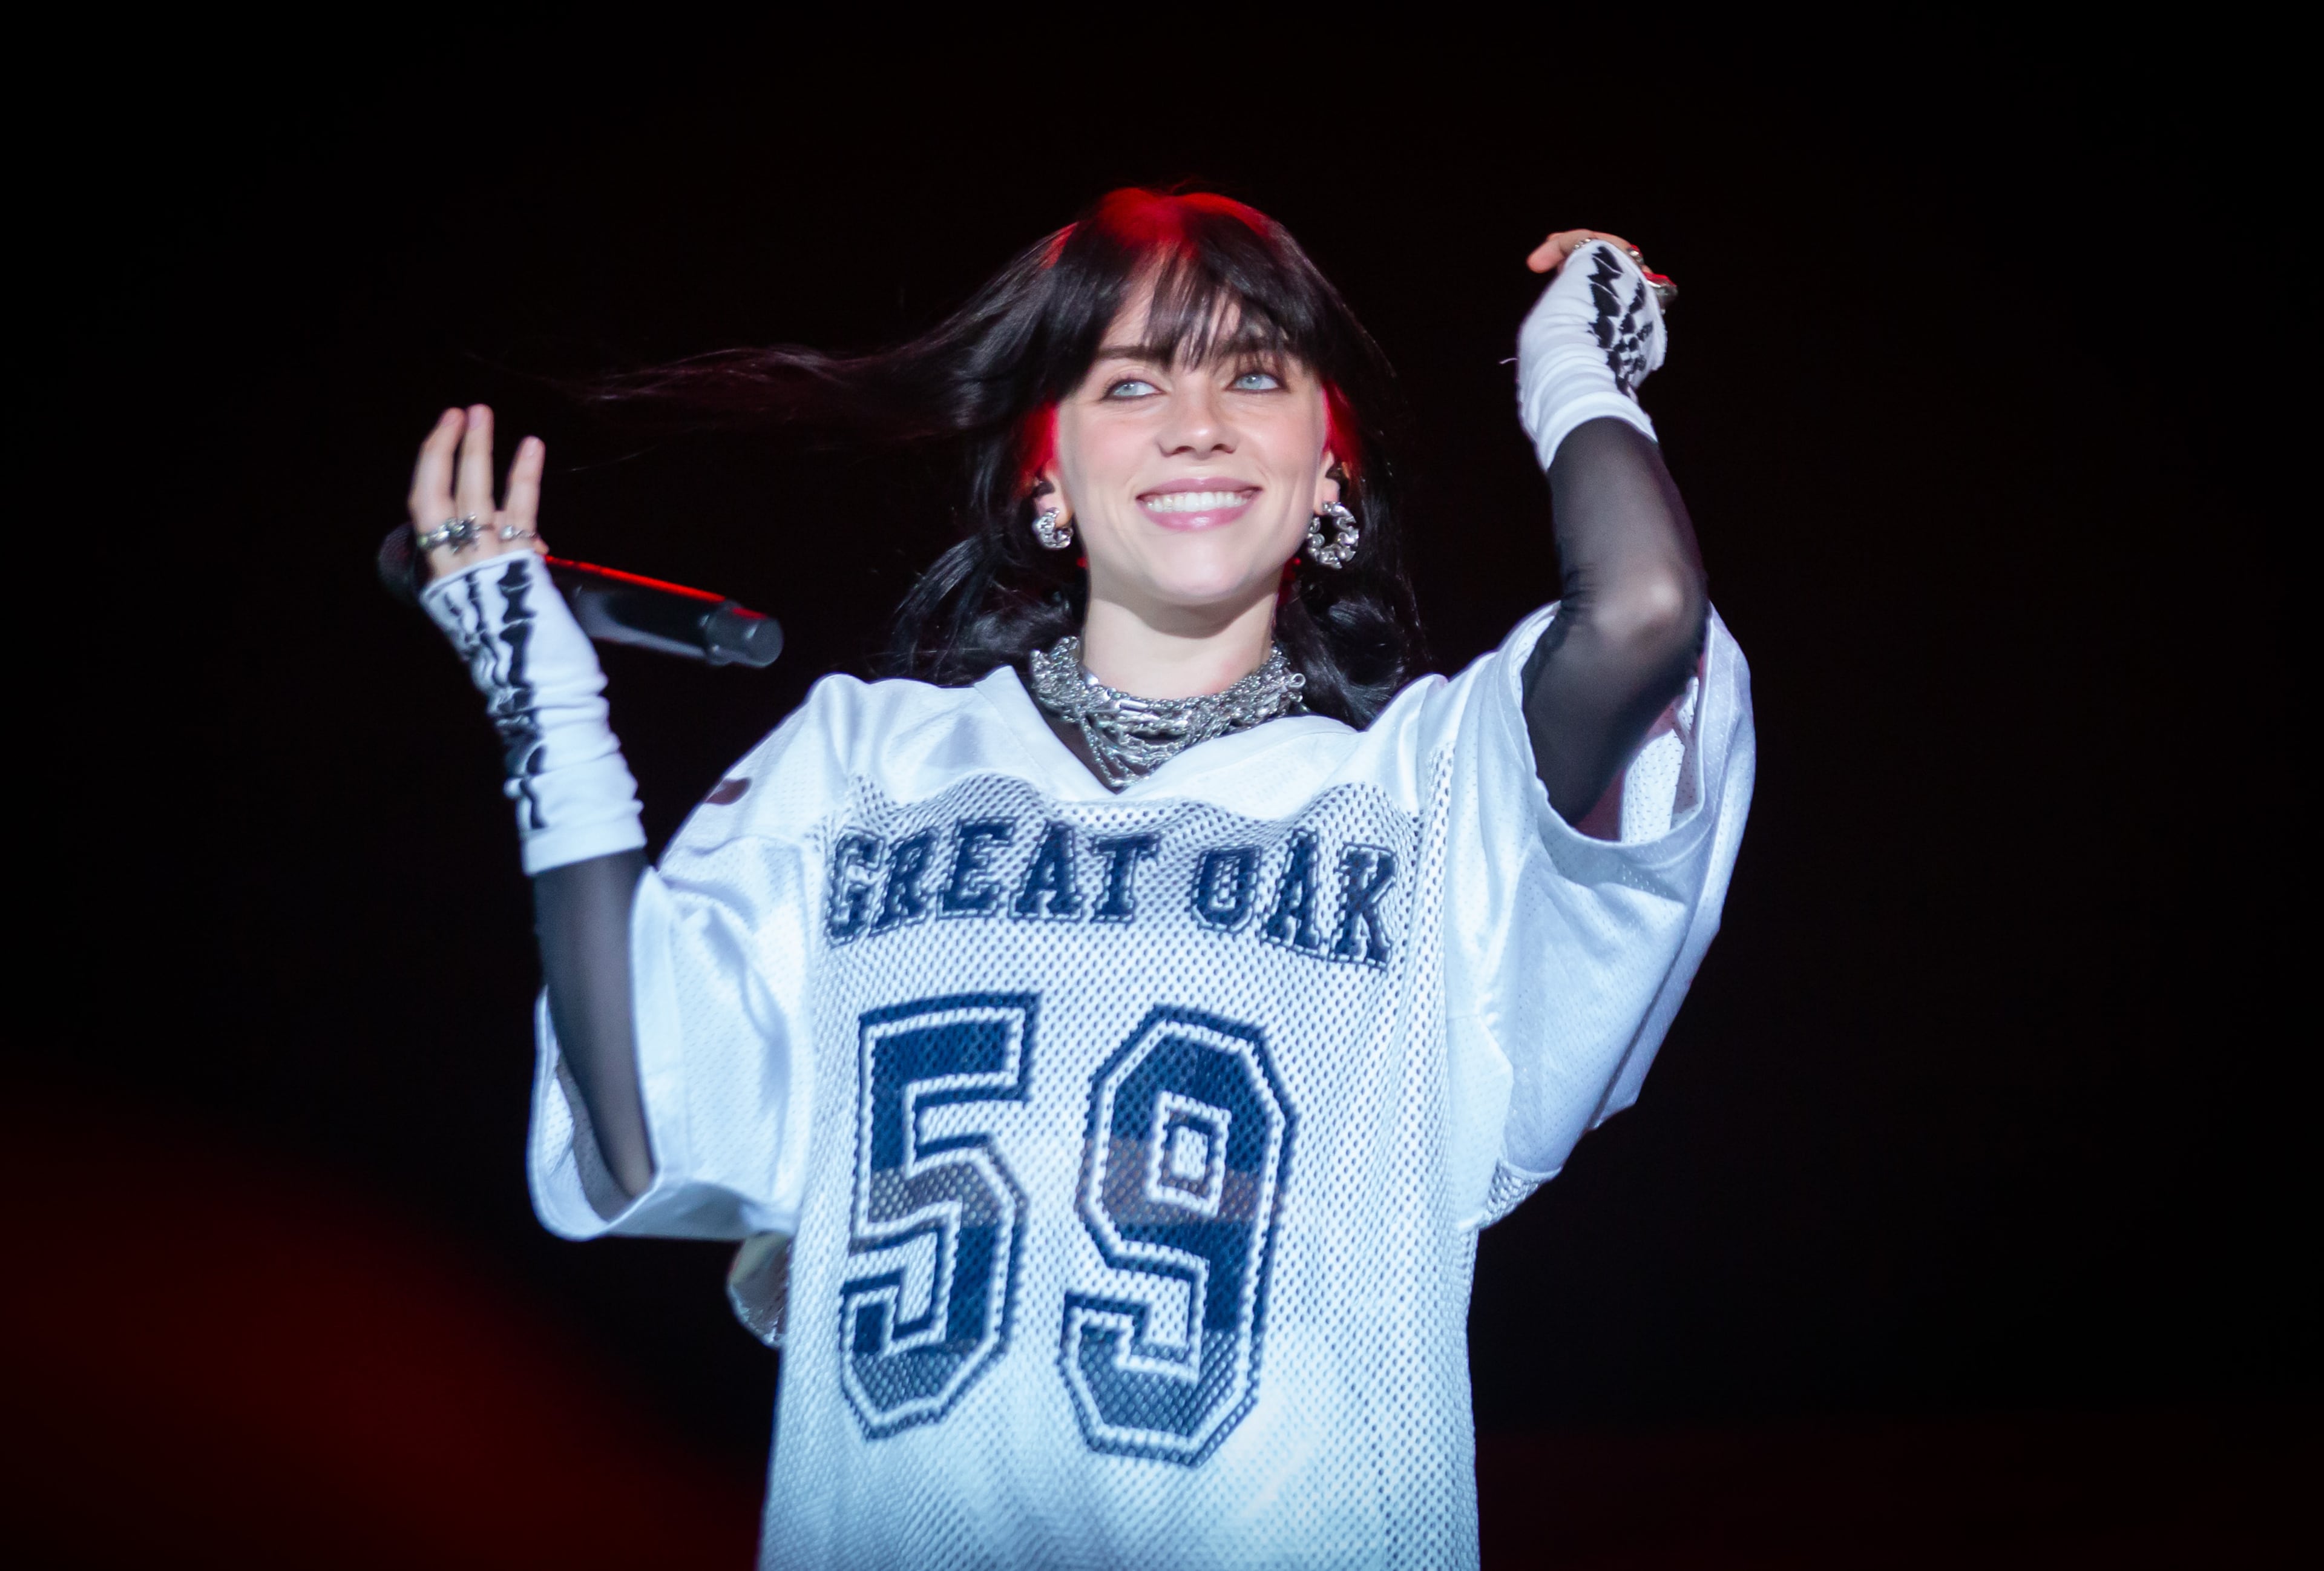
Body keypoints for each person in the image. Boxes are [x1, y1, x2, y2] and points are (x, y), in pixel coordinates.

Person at [405, 188, 1753, 1569]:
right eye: (1128, 381)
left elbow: (1644, 612)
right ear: (1044, 474)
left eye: (1254, 372)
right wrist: (550, 717)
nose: (1197, 421)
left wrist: (1572, 367)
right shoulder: (866, 761)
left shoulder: (1427, 789)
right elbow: (636, 1133)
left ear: (1329, 468)